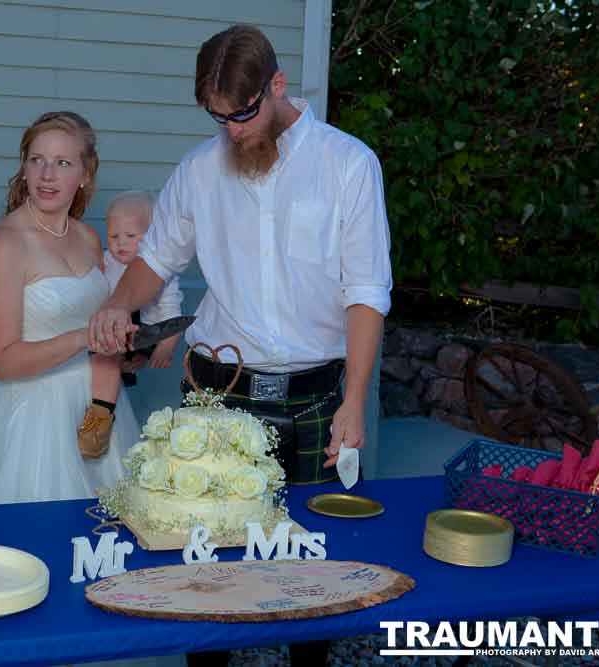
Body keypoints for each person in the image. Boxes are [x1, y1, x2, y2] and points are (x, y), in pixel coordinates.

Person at [87, 24, 392, 666]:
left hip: (315, 394)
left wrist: (355, 398)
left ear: (277, 86)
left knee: (312, 573)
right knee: (206, 574)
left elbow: (365, 291)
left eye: (243, 114)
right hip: (217, 392)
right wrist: (118, 302)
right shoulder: (199, 171)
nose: (231, 131)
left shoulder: (348, 165)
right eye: (218, 118)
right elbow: (158, 259)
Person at [0, 111, 138, 507]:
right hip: (34, 423)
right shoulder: (6, 242)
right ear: (24, 169)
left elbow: (106, 326)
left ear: (85, 175)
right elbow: (3, 361)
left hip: (97, 409)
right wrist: (84, 337)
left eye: (63, 163)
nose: (47, 174)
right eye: (37, 160)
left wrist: (126, 346)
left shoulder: (87, 237)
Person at [102, 190, 184, 385]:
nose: (121, 242)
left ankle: (134, 361)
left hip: (147, 329)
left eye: (130, 235)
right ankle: (121, 367)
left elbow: (172, 313)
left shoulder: (162, 270)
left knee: (149, 338)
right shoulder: (107, 260)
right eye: (113, 236)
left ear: (152, 236)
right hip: (116, 326)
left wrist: (166, 346)